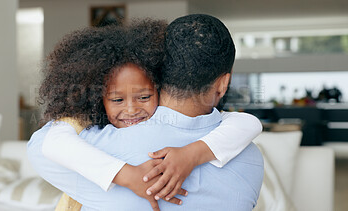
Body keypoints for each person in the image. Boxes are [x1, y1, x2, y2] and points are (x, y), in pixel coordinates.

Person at [28, 14, 264, 210]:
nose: (130, 109)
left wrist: (126, 174)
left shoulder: (93, 145)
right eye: (118, 99)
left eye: (142, 97)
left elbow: (42, 144)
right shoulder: (250, 157)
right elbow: (247, 123)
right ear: (223, 84)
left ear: (158, 74)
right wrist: (195, 153)